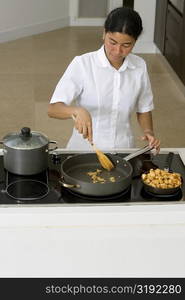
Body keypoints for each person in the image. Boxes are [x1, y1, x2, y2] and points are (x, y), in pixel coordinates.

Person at [48, 7, 160, 152]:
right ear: (104, 33)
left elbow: (144, 107)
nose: (118, 51)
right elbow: (53, 109)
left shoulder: (139, 66)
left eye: (126, 45)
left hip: (123, 149)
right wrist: (76, 111)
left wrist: (148, 132)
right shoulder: (83, 64)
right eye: (112, 42)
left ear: (135, 41)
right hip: (85, 149)